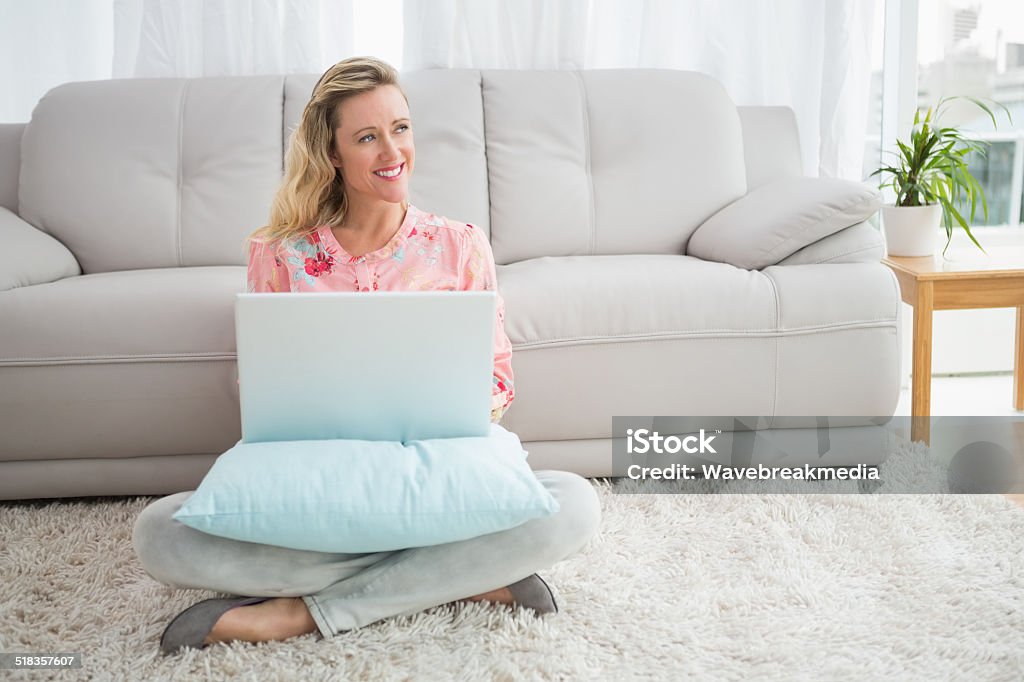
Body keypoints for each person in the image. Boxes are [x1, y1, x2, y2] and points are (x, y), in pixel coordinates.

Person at [132, 56, 602, 655]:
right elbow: (265, 391)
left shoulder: (459, 245)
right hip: (323, 480)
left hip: (427, 474)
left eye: (400, 128)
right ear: (332, 154)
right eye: (367, 137)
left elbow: (499, 381)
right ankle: (453, 578)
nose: (392, 151)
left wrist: (456, 404)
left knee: (573, 505)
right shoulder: (279, 254)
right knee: (161, 533)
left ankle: (304, 613)